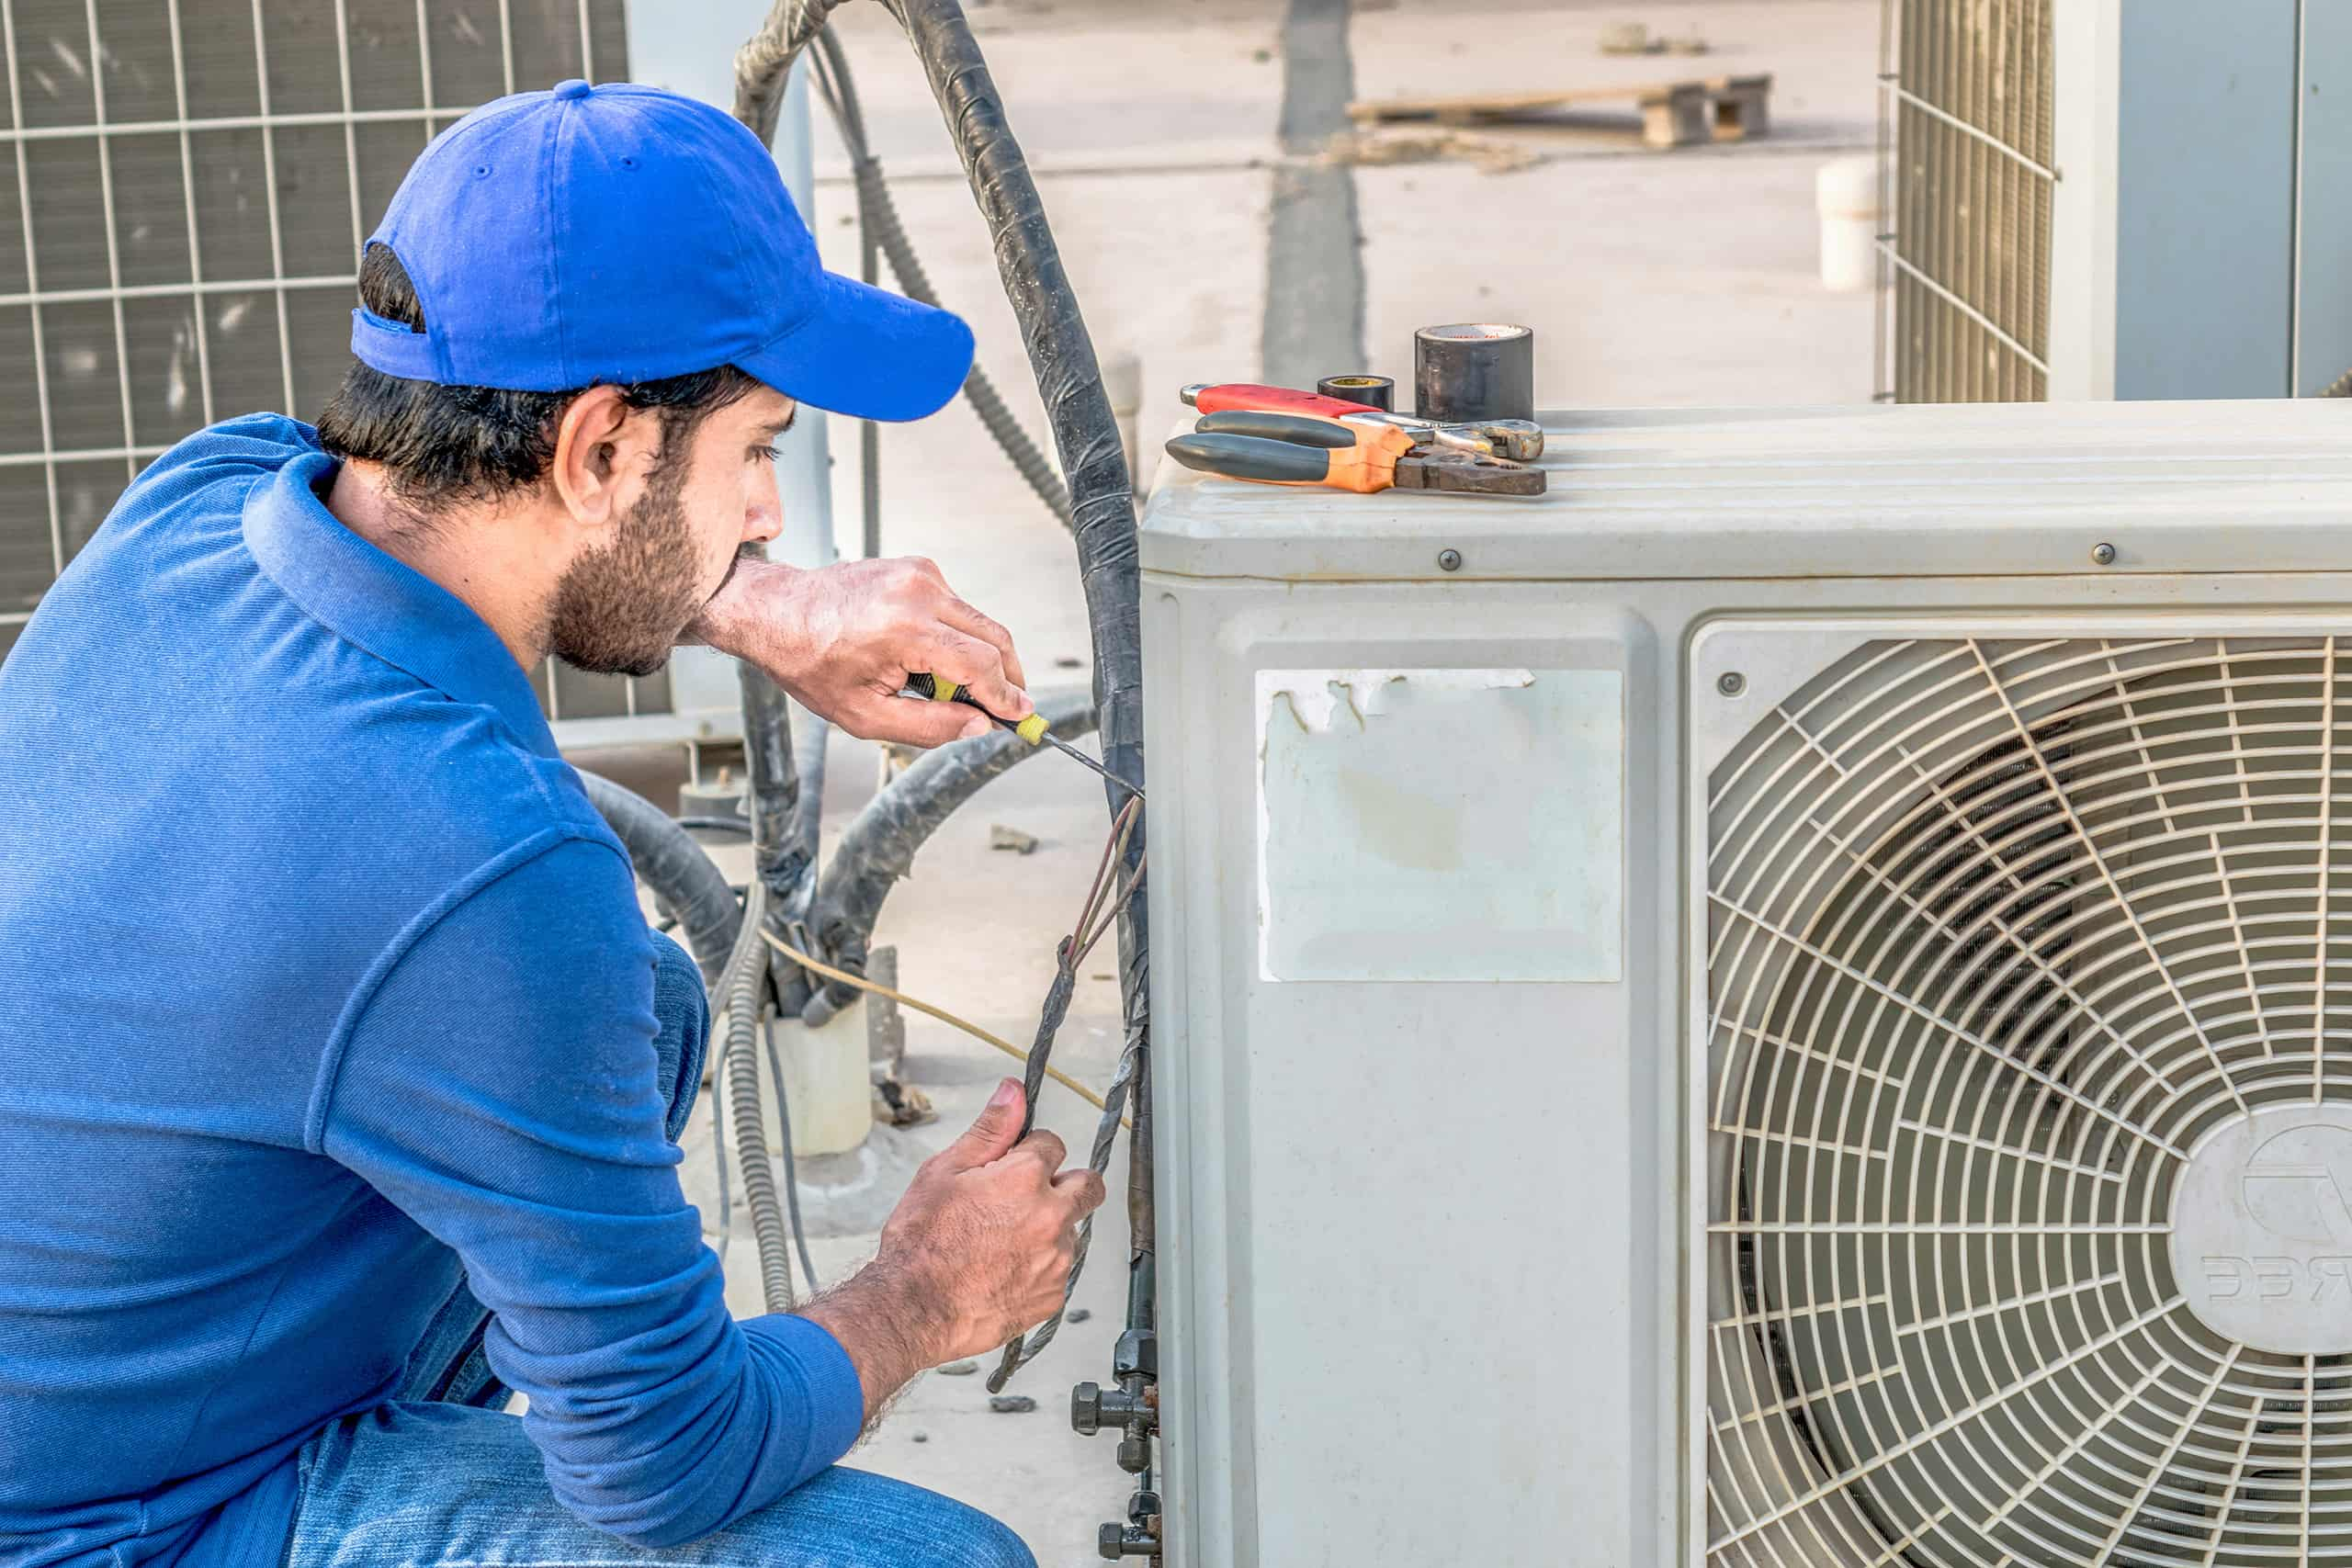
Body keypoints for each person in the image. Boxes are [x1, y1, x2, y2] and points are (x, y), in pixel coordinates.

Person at [0, 79, 1105, 1568]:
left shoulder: (201, 504)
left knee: (639, 1008)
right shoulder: (484, 868)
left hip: (86, 1363)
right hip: (109, 1524)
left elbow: (470, 534)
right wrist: (918, 1291)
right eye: (757, 450)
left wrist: (762, 610)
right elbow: (669, 1462)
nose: (770, 515)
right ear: (598, 451)